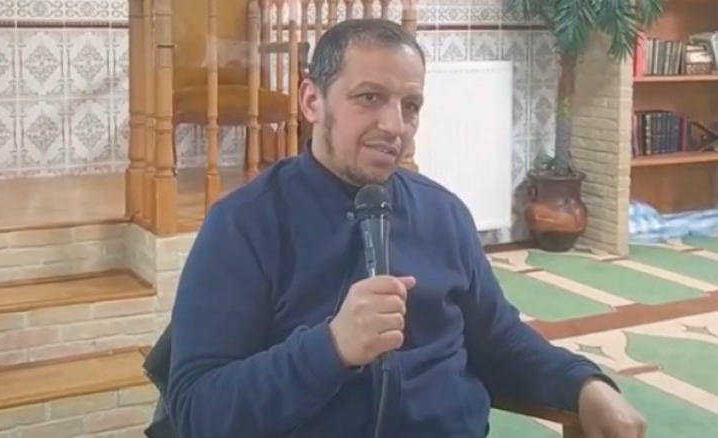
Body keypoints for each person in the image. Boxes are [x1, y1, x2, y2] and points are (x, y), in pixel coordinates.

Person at [166, 18, 647, 438]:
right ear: (312, 100)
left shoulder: (443, 213)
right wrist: (330, 348)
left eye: (411, 105)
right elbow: (197, 410)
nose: (395, 125)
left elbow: (499, 340)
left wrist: (585, 384)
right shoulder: (244, 225)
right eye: (369, 98)